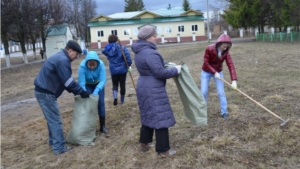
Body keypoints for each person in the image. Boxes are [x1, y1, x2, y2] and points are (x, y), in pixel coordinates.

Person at [131, 25, 182, 157]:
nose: (156, 38)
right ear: (148, 38)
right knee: (160, 116)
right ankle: (163, 150)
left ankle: (144, 143)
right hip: (153, 88)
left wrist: (166, 64)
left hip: (143, 85)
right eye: (154, 36)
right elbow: (159, 72)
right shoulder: (150, 53)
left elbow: (153, 67)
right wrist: (176, 70)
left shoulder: (140, 51)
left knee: (148, 114)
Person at [34, 40, 90, 155]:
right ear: (70, 50)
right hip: (46, 93)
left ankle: (53, 141)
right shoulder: (63, 60)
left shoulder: (60, 57)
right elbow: (68, 82)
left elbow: (65, 81)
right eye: (76, 54)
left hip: (42, 91)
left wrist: (76, 91)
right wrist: (82, 92)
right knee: (56, 121)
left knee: (51, 119)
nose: (76, 57)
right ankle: (59, 147)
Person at [200, 34, 237, 120]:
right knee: (203, 92)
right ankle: (202, 112)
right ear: (219, 44)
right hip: (206, 72)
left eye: (227, 47)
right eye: (224, 46)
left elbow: (230, 65)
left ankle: (224, 112)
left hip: (218, 72)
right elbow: (206, 62)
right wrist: (214, 72)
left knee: (221, 92)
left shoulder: (226, 53)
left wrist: (234, 80)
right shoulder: (209, 48)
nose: (225, 48)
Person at [78, 51, 108, 133]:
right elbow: (81, 82)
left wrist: (96, 90)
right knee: (88, 103)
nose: (92, 67)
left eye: (94, 65)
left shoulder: (101, 65)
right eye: (90, 65)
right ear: (87, 63)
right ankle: (89, 126)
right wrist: (84, 91)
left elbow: (103, 80)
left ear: (97, 63)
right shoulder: (82, 66)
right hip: (87, 85)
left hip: (98, 84)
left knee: (101, 103)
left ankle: (102, 126)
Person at [102, 34, 132, 106]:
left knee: (115, 84)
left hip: (113, 69)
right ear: (116, 40)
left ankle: (115, 97)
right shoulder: (122, 47)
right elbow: (127, 56)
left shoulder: (107, 49)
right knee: (122, 84)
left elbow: (104, 52)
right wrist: (129, 64)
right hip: (122, 69)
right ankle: (122, 100)